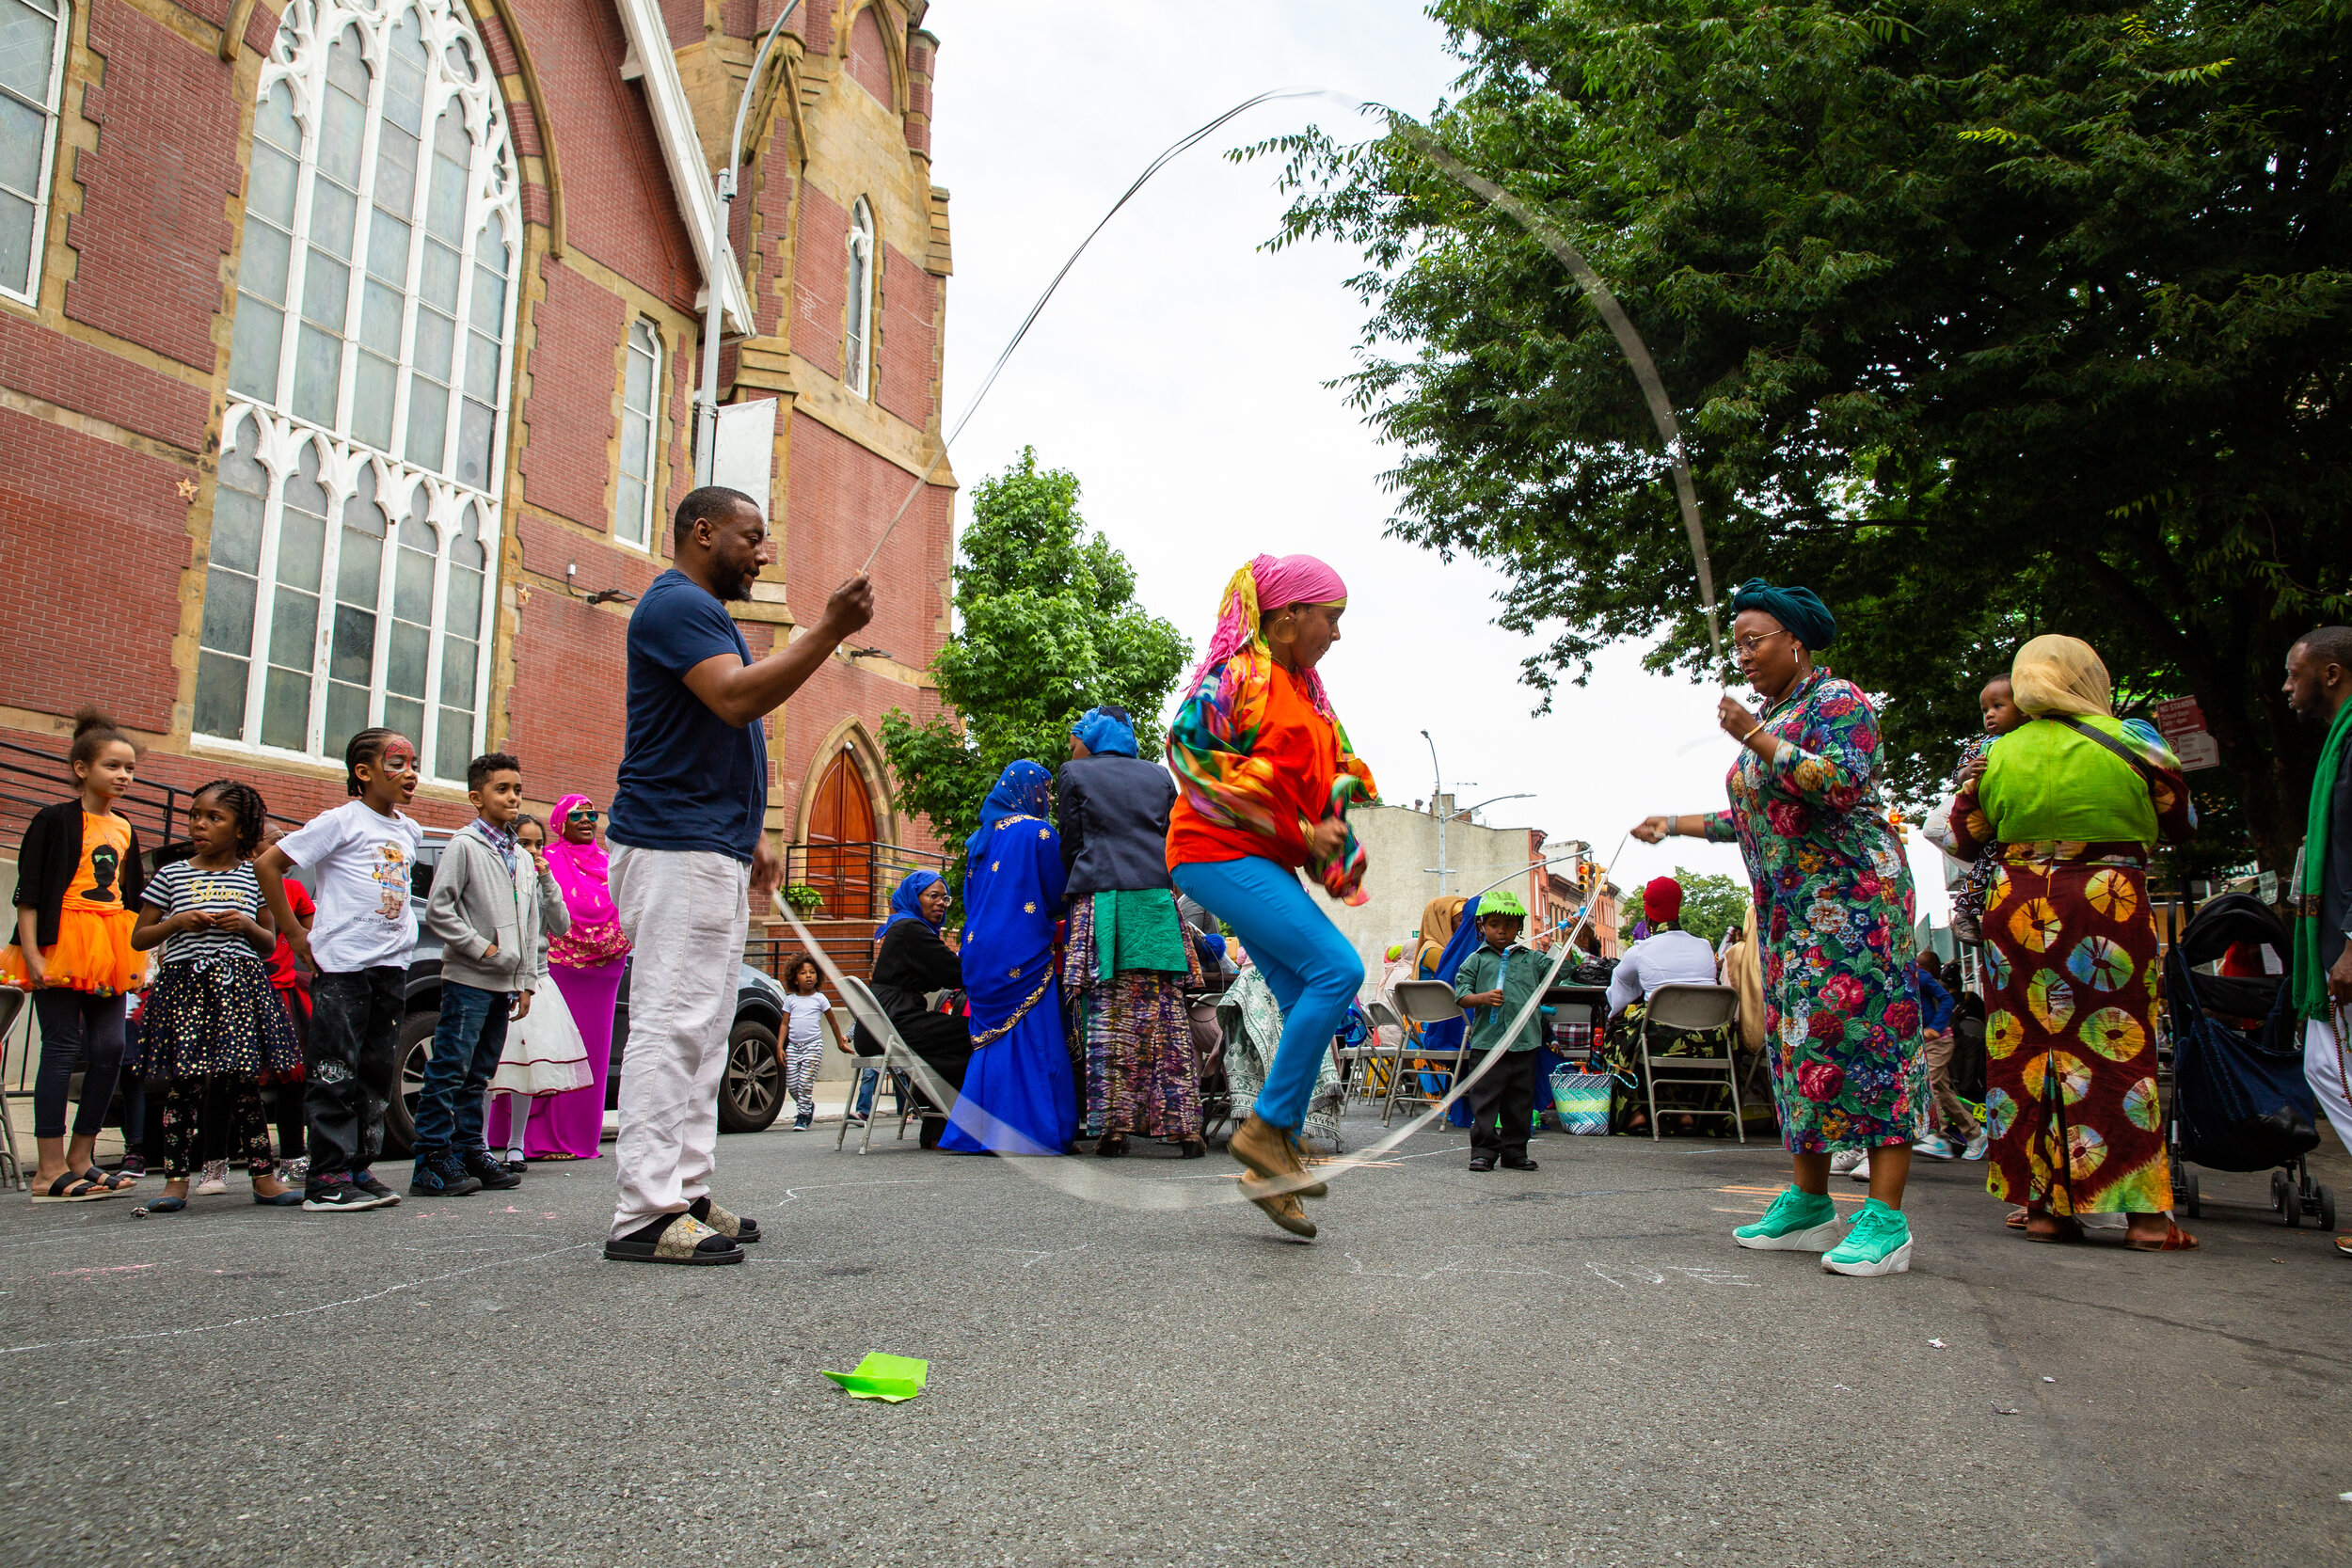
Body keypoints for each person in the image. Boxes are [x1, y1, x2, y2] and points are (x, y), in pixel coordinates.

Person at [600, 485, 871, 1265]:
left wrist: (748, 830)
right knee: (673, 1022)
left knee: (707, 1026)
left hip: (707, 845)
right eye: (753, 537)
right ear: (703, 532)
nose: (764, 551)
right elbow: (732, 699)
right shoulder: (675, 604)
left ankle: (684, 1189)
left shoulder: (701, 613)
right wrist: (828, 629)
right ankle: (644, 1212)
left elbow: (724, 728)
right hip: (674, 845)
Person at [1635, 578, 1929, 1278]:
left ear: (1795, 640)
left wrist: (1757, 736)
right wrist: (1671, 823)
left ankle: (1885, 1219)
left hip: (1856, 910)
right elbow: (1758, 816)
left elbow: (1839, 784)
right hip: (1792, 918)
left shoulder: (1839, 703)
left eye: (1755, 639)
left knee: (1873, 1047)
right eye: (1737, 642)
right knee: (1799, 1049)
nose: (1744, 653)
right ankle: (1808, 1201)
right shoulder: (1777, 715)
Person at [1936, 634, 2197, 1250]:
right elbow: (2182, 821)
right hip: (2110, 901)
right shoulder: (2134, 740)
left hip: (2017, 907)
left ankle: (2046, 1208)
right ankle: (2146, 1218)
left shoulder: (1995, 755)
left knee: (2028, 1053)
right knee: (2119, 1049)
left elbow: (1964, 839)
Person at [1166, 554, 1378, 1241]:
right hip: (1212, 851)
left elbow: (1333, 793)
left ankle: (1272, 1163)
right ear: (1288, 618)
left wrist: (1336, 852)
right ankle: (1267, 1131)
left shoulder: (1311, 697)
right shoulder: (1240, 677)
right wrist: (1295, 829)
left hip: (1259, 859)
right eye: (1331, 619)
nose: (1337, 636)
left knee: (1302, 995)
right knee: (1338, 971)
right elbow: (1188, 757)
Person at [258, 728, 423, 1212]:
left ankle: (358, 1167)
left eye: (413, 763)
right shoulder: (340, 821)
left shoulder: (408, 831)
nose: (410, 773)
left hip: (390, 966)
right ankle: (325, 1176)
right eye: (397, 764)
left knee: (374, 1071)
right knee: (335, 1067)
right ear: (364, 772)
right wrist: (293, 933)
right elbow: (270, 865)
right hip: (345, 966)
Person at [129, 782, 302, 1211]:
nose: (199, 825)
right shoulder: (171, 874)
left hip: (239, 988)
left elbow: (268, 942)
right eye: (194, 816)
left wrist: (245, 925)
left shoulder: (257, 876)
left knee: (242, 1082)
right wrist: (175, 923)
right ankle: (174, 1182)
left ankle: (264, 1177)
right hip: (185, 987)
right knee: (183, 1084)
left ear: (241, 829)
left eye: (213, 818)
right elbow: (139, 937)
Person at [4, 709, 147, 1202]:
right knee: (62, 1048)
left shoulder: (125, 826)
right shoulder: (54, 819)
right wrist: (33, 955)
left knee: (110, 1049)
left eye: (129, 769)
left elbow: (130, 899)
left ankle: (81, 1159)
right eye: (113, 766)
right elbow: (30, 894)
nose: (124, 776)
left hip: (108, 945)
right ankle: (47, 1170)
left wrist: (138, 955)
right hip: (61, 940)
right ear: (82, 768)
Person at [412, 753, 565, 1197]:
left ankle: (468, 1148)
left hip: (505, 984)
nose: (513, 797)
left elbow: (538, 920)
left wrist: (526, 979)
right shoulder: (464, 846)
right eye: (502, 790)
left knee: (480, 1074)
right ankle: (431, 1158)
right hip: (468, 979)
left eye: (517, 789)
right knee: (449, 1069)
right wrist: (485, 949)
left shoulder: (519, 855)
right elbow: (440, 910)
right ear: (477, 798)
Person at [1057, 706, 1203, 1157]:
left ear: (1094, 737)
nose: (1071, 747)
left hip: (1104, 902)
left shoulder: (1073, 775)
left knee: (1107, 1016)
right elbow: (1173, 835)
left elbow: (1071, 843)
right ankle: (1184, 1128)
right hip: (1157, 903)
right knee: (1165, 1016)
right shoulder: (1160, 777)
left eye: (1075, 738)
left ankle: (1114, 1129)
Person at [947, 761, 1078, 1155]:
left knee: (992, 1042)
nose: (1050, 799)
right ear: (1029, 790)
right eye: (1046, 790)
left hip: (979, 949)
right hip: (1021, 947)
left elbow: (973, 901)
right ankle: (1034, 1132)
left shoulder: (978, 839)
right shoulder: (1038, 832)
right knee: (1035, 1039)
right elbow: (1057, 896)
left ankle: (979, 1132)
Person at [492, 794, 628, 1162]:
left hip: (605, 968)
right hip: (556, 966)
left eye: (592, 813)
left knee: (592, 1050)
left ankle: (576, 1136)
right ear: (559, 822)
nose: (586, 819)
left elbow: (628, 905)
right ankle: (523, 1138)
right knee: (538, 1046)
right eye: (576, 814)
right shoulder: (541, 860)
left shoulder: (611, 863)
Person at [2282, 626, 2352, 1259]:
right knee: (2325, 1067)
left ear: (2330, 673)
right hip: (2333, 939)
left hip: (2346, 942)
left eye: (2294, 673)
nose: (2286, 686)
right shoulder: (2339, 741)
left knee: (2336, 1070)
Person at [485, 813, 594, 1171]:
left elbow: (562, 925)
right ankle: (481, 1143)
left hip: (538, 981)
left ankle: (516, 1144)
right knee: (492, 1067)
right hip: (501, 979)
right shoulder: (501, 877)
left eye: (538, 844)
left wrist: (547, 880)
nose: (532, 851)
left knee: (525, 1068)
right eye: (524, 843)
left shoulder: (544, 879)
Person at [1602, 876, 1729, 1134]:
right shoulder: (1705, 946)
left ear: (1647, 914)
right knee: (1678, 1038)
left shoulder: (1640, 950)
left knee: (1619, 1035)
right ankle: (1684, 1113)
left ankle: (1635, 1114)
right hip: (1710, 1040)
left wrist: (1619, 1014)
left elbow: (1617, 999)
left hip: (1663, 1038)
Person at [855, 869, 973, 1143]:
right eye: (933, 896)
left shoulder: (906, 928)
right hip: (893, 1021)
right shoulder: (910, 929)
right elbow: (956, 972)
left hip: (880, 1024)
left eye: (946, 898)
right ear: (913, 897)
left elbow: (940, 973)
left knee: (949, 1045)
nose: (941, 903)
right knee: (974, 1034)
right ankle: (943, 1129)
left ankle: (937, 1130)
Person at [1451, 891, 1545, 1171]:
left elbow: (1560, 971)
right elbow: (1461, 996)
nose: (1502, 931)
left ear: (1519, 928)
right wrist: (1483, 998)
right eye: (1494, 924)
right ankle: (1483, 1151)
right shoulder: (1476, 961)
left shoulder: (1531, 959)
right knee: (1485, 1100)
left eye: (1509, 925)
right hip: (1488, 1044)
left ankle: (1515, 1151)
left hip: (1523, 1043)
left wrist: (1570, 938)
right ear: (1482, 927)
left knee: (1520, 1102)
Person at [1947, 675, 2026, 945]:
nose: (1989, 715)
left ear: (2025, 707)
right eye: (1985, 710)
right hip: (1986, 821)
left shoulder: (2035, 740)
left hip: (2020, 819)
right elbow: (1958, 775)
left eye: (1998, 706)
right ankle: (1965, 911)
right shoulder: (1982, 746)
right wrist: (1968, 772)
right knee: (1985, 860)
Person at [257, 825, 313, 1181]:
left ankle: (293, 1154)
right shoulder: (239, 885)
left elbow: (310, 936)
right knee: (231, 1080)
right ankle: (219, 1161)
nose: (284, 843)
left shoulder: (294, 889)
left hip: (286, 994)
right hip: (246, 993)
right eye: (275, 839)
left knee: (293, 1076)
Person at [1908, 952, 1974, 1162]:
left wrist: (1936, 1027)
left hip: (1938, 1040)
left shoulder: (1919, 975)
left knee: (1930, 1085)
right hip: (1921, 1043)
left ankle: (1938, 1137)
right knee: (1943, 1090)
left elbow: (1946, 999)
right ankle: (1974, 1134)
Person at [776, 953, 830, 1132]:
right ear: (795, 979)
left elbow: (834, 1022)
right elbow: (784, 1024)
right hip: (793, 1047)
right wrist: (779, 1046)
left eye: (812, 972)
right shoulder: (790, 1000)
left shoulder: (820, 999)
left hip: (813, 1045)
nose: (808, 976)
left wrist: (841, 1042)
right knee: (792, 1085)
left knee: (805, 1083)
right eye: (803, 973)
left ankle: (803, 1116)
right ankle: (807, 1106)